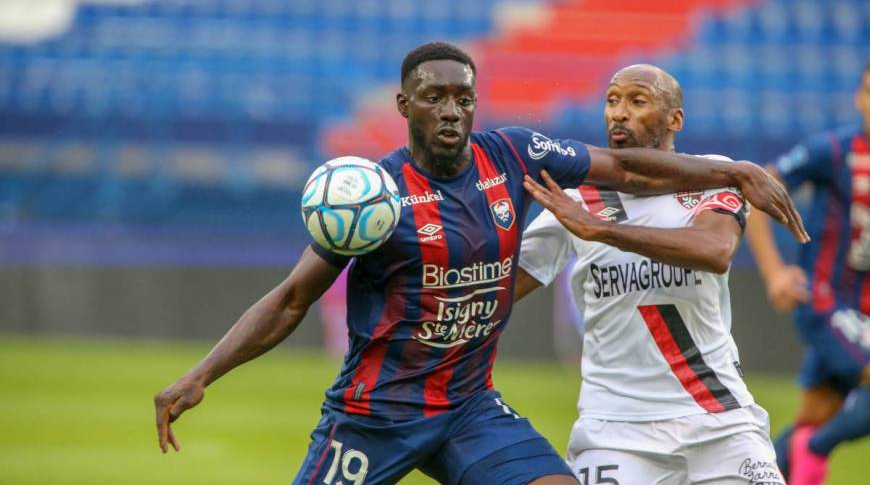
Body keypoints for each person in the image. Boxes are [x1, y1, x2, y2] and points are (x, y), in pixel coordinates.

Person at [153, 43, 806, 485]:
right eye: (434, 98)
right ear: (406, 106)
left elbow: (630, 170)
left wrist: (736, 170)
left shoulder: (515, 155)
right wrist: (203, 373)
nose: (452, 110)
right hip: (376, 413)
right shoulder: (375, 197)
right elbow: (293, 297)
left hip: (470, 409)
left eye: (463, 97)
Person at [516, 64, 787, 484]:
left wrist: (602, 230)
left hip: (718, 419)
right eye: (612, 100)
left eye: (637, 101)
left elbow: (714, 251)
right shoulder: (575, 199)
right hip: (615, 429)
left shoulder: (716, 175)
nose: (618, 113)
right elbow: (501, 287)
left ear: (674, 119)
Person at [745, 63, 870, 485]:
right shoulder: (833, 151)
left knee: (814, 416)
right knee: (815, 436)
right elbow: (758, 186)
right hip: (825, 302)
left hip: (863, 314)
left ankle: (773, 473)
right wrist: (775, 273)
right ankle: (813, 451)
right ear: (858, 97)